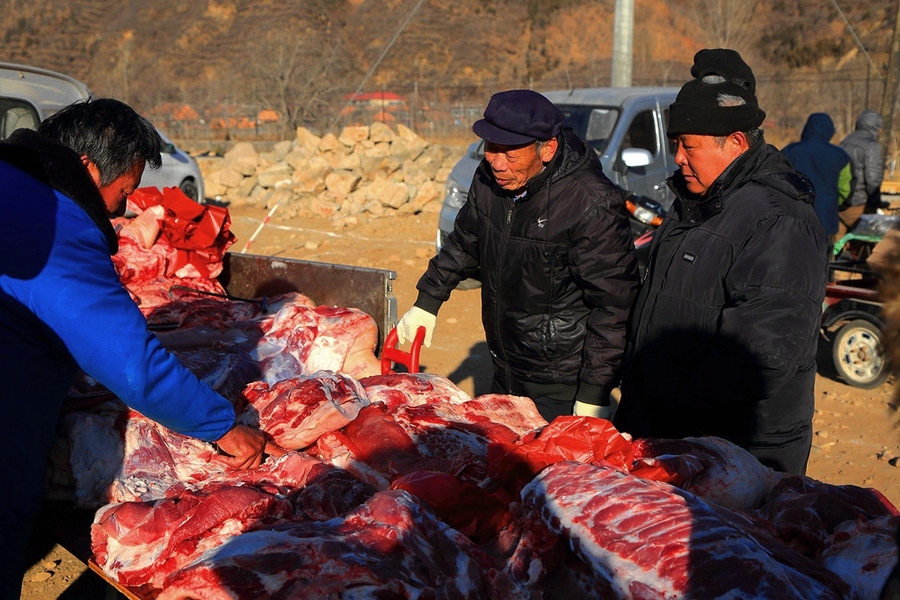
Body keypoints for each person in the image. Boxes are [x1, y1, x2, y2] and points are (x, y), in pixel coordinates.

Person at [0, 98, 269, 598]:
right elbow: (131, 363)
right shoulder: (50, 220)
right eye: (123, 190)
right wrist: (227, 428)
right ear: (86, 167)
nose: (124, 209)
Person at [613, 49, 828, 475]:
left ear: (736, 143)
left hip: (734, 451)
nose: (677, 158)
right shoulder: (696, 201)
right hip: (671, 433)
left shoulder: (779, 220)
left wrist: (672, 418)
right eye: (676, 145)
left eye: (688, 146)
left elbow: (760, 353)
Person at [396, 89, 639, 422]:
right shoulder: (489, 180)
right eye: (491, 148)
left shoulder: (591, 203)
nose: (496, 162)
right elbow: (465, 241)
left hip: (561, 385)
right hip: (506, 366)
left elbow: (612, 306)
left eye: (510, 153)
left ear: (547, 149)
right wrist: (427, 301)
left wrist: (593, 394)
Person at [781, 113, 852, 257]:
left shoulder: (789, 152)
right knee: (823, 267)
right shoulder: (841, 156)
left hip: (794, 220)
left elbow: (778, 183)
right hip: (826, 220)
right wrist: (833, 204)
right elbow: (845, 190)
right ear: (830, 131)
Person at [839, 109, 886, 238]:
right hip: (859, 205)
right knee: (875, 241)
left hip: (839, 204)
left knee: (833, 248)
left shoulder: (844, 142)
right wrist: (876, 203)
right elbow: (873, 180)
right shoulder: (872, 146)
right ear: (877, 129)